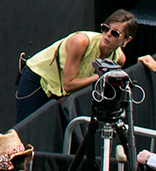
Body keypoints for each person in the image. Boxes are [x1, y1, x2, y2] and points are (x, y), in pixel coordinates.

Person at [16, 10, 147, 122]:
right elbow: (69, 84)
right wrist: (100, 77)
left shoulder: (118, 59)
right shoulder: (81, 42)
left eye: (115, 33)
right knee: (27, 133)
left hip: (62, 92)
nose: (107, 34)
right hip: (39, 79)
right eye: (106, 28)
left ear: (127, 40)